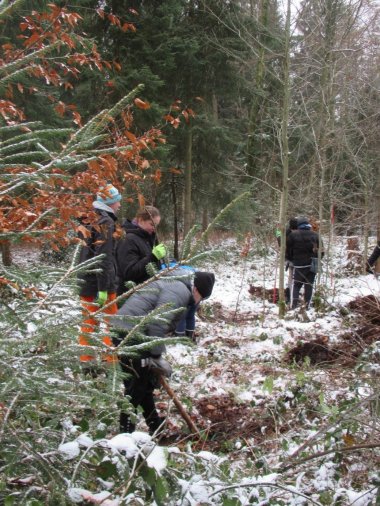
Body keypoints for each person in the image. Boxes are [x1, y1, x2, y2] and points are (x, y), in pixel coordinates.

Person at [111, 270, 215, 434]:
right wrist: (156, 356)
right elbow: (156, 323)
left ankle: (155, 426)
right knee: (136, 387)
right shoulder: (179, 291)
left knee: (143, 383)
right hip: (130, 333)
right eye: (201, 298)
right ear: (197, 290)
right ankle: (125, 435)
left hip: (130, 330)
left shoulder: (177, 286)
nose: (199, 303)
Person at [77, 183, 122, 363]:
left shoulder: (90, 219)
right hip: (101, 283)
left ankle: (86, 361)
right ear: (110, 202)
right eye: (117, 201)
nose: (119, 205)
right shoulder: (106, 223)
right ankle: (111, 360)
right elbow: (103, 258)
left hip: (86, 281)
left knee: (89, 322)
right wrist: (103, 288)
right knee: (112, 323)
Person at [116, 206, 167, 295]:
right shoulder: (128, 240)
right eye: (152, 224)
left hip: (146, 292)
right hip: (130, 295)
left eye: (156, 225)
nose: (154, 228)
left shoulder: (148, 237)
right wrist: (153, 257)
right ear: (140, 220)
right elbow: (129, 272)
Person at [286, 216, 323, 310]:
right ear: (308, 224)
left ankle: (294, 305)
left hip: (299, 264)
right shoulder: (316, 235)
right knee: (309, 285)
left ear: (299, 225)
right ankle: (307, 306)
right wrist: (317, 259)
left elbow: (288, 250)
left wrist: (291, 259)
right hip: (312, 264)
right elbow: (321, 251)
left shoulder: (293, 235)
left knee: (297, 285)